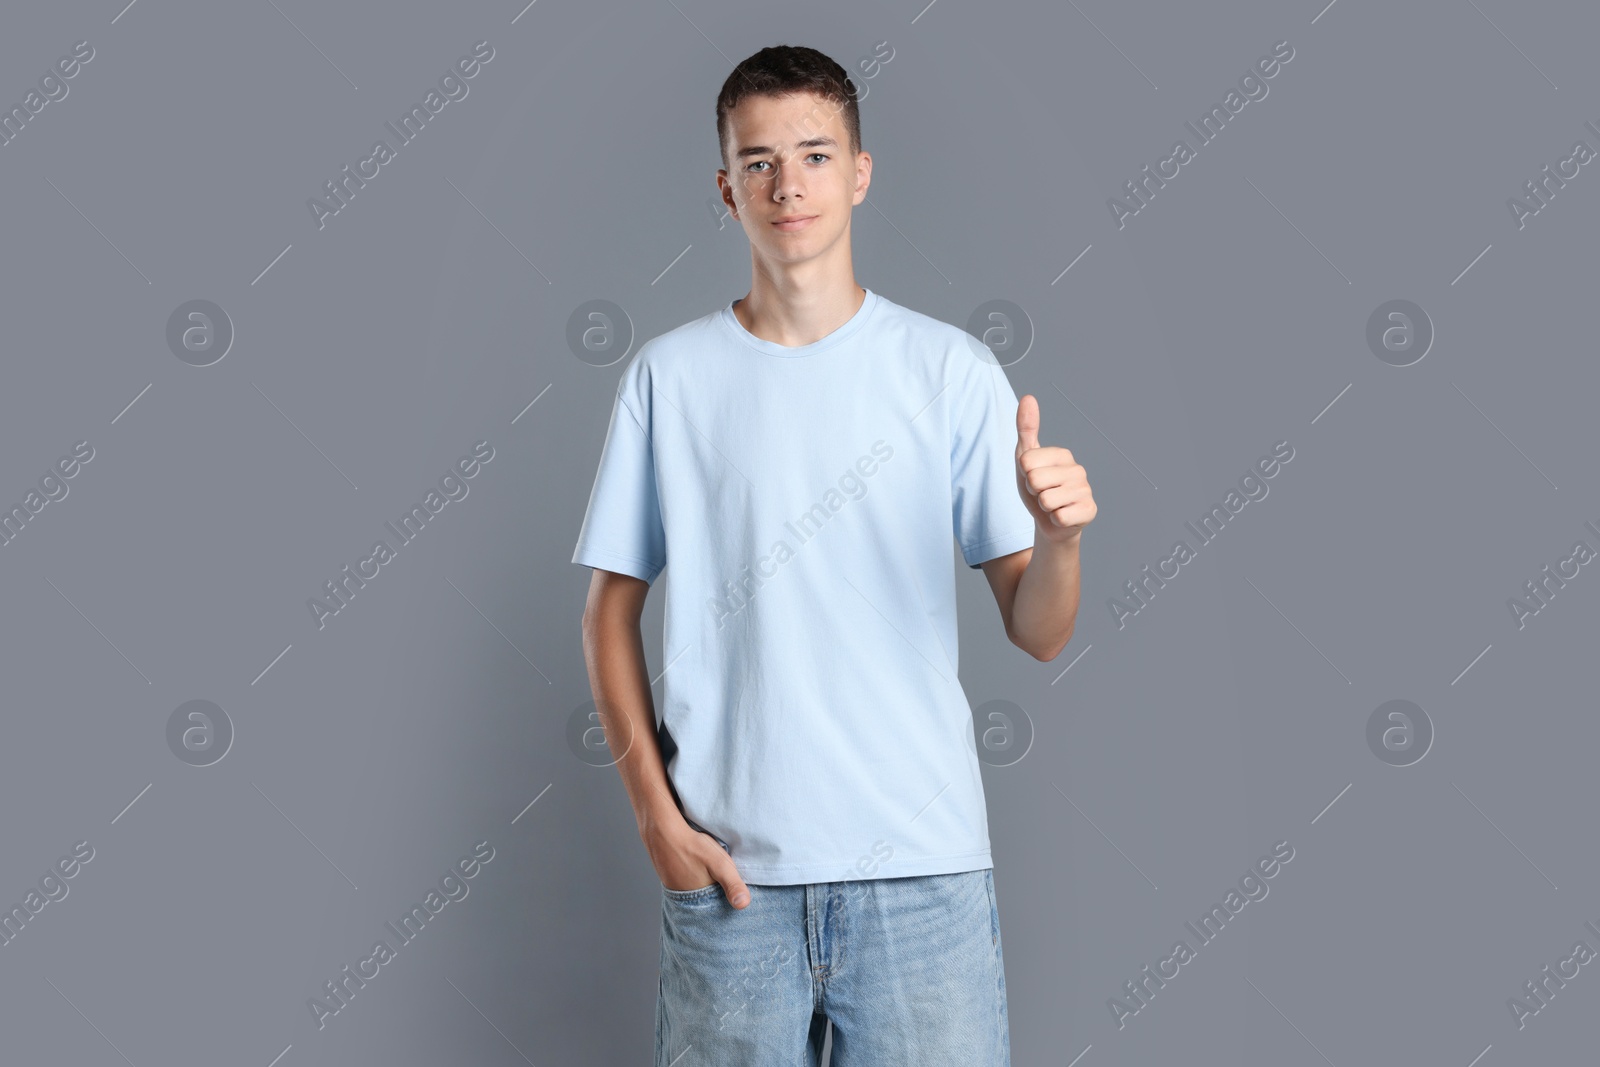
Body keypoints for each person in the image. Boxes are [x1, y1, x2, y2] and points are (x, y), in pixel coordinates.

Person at [572, 43, 1094, 1067]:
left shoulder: (948, 369)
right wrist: (654, 824)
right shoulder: (668, 379)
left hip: (924, 883)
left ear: (859, 171)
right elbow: (606, 612)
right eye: (758, 161)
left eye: (814, 154)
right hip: (730, 884)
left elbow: (1038, 629)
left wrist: (1063, 539)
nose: (787, 184)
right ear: (726, 189)